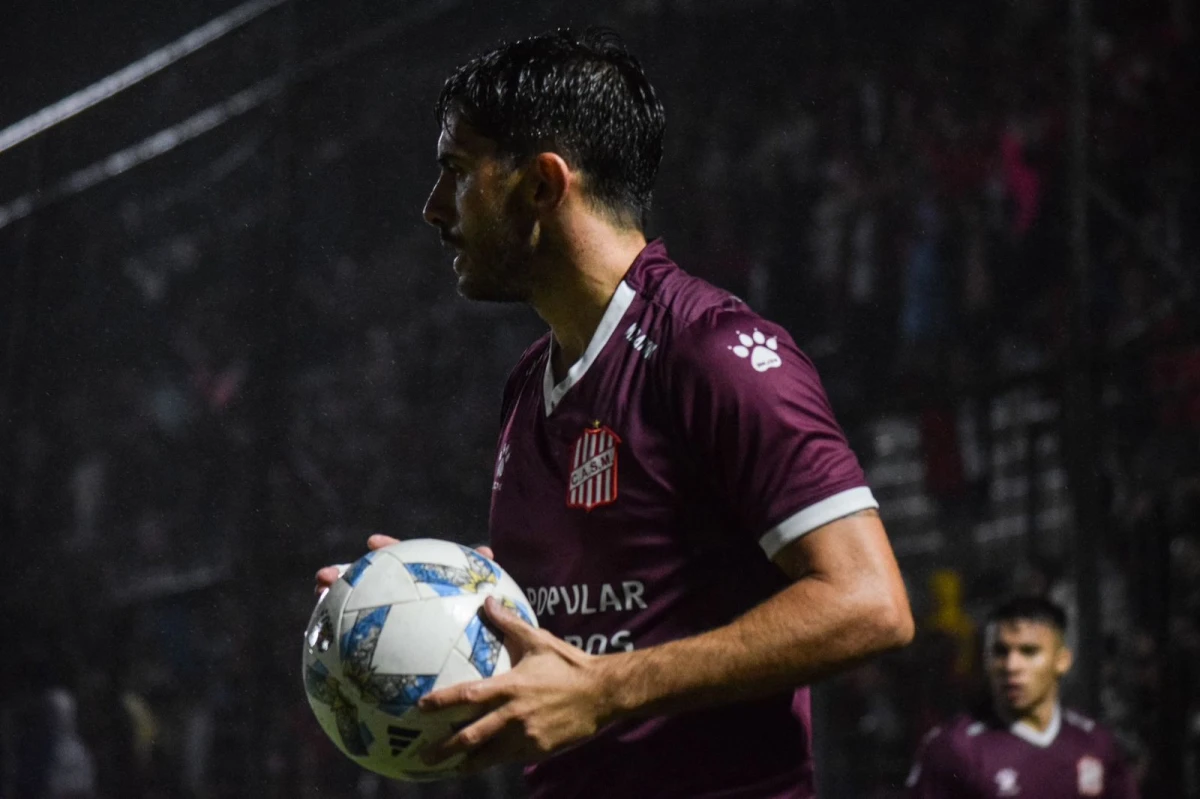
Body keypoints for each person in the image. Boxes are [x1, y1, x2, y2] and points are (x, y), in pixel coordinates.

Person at [316, 27, 913, 798]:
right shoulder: (531, 381)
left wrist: (610, 688)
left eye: (457, 172)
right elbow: (592, 586)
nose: (433, 209)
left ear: (542, 185)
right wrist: (425, 590)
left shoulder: (714, 352)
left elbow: (870, 602)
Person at [905, 596, 1139, 798]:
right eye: (1000, 652)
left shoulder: (1096, 743)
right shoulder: (953, 748)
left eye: (1029, 651)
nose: (1011, 665)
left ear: (1062, 660)